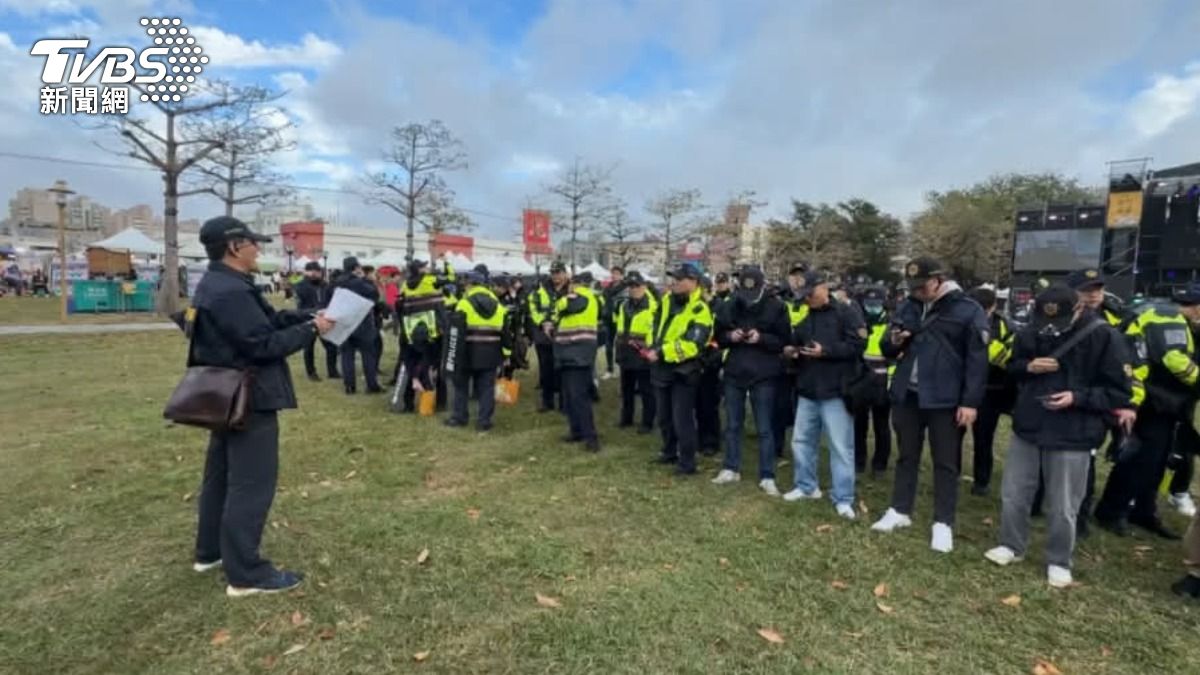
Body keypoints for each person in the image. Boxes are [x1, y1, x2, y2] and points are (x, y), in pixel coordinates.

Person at [187, 215, 335, 596]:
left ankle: (210, 551)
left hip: (224, 394)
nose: (258, 249)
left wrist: (307, 317)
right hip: (247, 397)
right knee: (251, 484)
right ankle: (246, 573)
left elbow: (267, 321)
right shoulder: (231, 292)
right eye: (252, 243)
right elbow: (263, 345)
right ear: (234, 246)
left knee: (220, 476)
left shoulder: (222, 283)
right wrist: (311, 331)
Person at [984, 284, 1132, 588]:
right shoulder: (1030, 330)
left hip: (1073, 430)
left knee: (1064, 503)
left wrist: (1077, 397)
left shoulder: (1104, 336)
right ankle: (1011, 545)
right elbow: (1012, 367)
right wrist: (1028, 366)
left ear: (1078, 309)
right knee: (1014, 492)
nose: (1050, 327)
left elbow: (1118, 391)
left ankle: (1059, 559)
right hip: (1030, 423)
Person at [871, 257, 989, 554]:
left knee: (945, 462)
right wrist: (895, 339)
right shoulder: (908, 306)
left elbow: (977, 360)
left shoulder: (967, 310)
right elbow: (887, 347)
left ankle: (943, 522)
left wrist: (970, 402)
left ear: (938, 280)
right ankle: (900, 509)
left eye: (922, 286)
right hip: (909, 394)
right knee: (906, 455)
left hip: (945, 397)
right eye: (913, 287)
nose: (917, 292)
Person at [1095, 284, 1200, 539]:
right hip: (1149, 401)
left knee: (1157, 460)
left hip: (1161, 402)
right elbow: (1175, 360)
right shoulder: (1168, 318)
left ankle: (1143, 510)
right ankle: (1112, 511)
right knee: (1140, 458)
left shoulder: (1165, 314)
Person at [782, 272, 866, 519]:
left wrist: (826, 351)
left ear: (823, 288)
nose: (807, 299)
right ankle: (806, 486)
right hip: (808, 388)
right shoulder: (807, 314)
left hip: (836, 390)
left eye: (810, 294)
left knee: (840, 447)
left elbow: (857, 345)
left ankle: (843, 498)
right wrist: (791, 350)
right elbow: (796, 340)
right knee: (801, 441)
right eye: (804, 296)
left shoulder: (847, 313)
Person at [711, 266, 790, 495]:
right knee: (732, 425)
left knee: (765, 427)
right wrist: (730, 336)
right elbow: (718, 336)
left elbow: (784, 340)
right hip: (735, 370)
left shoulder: (777, 307)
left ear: (762, 287)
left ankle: (767, 475)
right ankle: (730, 467)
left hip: (764, 373)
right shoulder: (730, 305)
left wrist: (761, 338)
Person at [648, 264, 714, 475]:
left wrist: (661, 351)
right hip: (661, 366)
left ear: (693, 282)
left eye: (680, 279)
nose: (674, 282)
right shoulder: (666, 301)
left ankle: (687, 462)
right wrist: (651, 346)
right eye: (674, 278)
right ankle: (669, 452)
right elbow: (655, 325)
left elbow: (693, 345)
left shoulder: (700, 309)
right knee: (663, 416)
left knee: (681, 418)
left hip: (683, 370)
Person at [966, 286, 1015, 496]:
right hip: (963, 386)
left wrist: (993, 351)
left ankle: (981, 481)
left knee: (984, 437)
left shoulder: (1005, 325)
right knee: (953, 434)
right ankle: (951, 472)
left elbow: (1011, 358)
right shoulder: (963, 321)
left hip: (991, 389)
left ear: (993, 307)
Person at [445, 270, 507, 431]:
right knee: (487, 388)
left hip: (467, 351)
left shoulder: (464, 303)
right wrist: (506, 354)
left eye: (466, 284)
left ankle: (460, 417)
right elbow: (505, 333)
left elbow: (456, 330)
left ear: (470, 285)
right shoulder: (499, 306)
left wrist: (452, 355)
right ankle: (484, 421)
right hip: (491, 352)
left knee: (461, 386)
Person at [553, 271, 602, 452]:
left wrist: (559, 304)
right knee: (571, 396)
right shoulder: (590, 298)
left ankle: (590, 436)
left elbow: (561, 306)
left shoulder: (580, 296)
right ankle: (577, 431)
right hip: (573, 352)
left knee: (578, 397)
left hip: (576, 352)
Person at [854, 286, 893, 478]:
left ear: (883, 304)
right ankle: (858, 462)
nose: (872, 308)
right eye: (869, 304)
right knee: (859, 425)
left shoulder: (891, 325)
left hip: (882, 382)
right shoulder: (858, 323)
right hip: (861, 380)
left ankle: (879, 465)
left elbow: (895, 357)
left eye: (876, 304)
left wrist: (890, 382)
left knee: (881, 426)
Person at [614, 271, 658, 433]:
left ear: (644, 287)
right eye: (631, 286)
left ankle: (647, 422)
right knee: (626, 390)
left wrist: (650, 350)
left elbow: (656, 332)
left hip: (642, 354)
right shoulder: (624, 305)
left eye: (637, 286)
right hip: (625, 352)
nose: (633, 289)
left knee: (647, 391)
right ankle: (626, 418)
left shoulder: (653, 307)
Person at [773, 262, 810, 458]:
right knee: (779, 405)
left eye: (801, 275)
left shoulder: (812, 301)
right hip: (782, 360)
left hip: (806, 361)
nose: (797, 280)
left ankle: (801, 447)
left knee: (803, 408)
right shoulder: (779, 301)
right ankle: (776, 445)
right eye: (794, 275)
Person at [337, 257, 383, 395]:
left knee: (346, 355)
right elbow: (375, 294)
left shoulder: (336, 282)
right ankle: (371, 384)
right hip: (361, 322)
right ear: (356, 268)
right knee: (368, 354)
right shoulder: (359, 282)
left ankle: (349, 386)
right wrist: (366, 279)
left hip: (343, 321)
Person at [530, 262, 570, 412]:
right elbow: (533, 307)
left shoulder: (572, 289)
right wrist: (543, 322)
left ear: (565, 273)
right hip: (544, 336)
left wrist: (555, 322)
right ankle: (547, 402)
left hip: (564, 334)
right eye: (553, 272)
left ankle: (564, 403)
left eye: (558, 272)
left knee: (564, 370)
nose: (555, 276)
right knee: (546, 370)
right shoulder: (541, 289)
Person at [293, 262, 339, 381]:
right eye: (311, 271)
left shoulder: (325, 285)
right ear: (306, 272)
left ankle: (332, 371)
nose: (314, 273)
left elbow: (331, 299)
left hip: (324, 318)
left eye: (317, 271)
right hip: (307, 319)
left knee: (331, 346)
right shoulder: (300, 286)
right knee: (308, 347)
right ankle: (311, 372)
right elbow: (300, 305)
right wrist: (310, 313)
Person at [696, 274, 724, 455]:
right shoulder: (695, 306)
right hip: (695, 358)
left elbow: (720, 335)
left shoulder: (719, 307)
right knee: (698, 403)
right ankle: (700, 438)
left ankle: (711, 441)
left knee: (709, 404)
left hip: (711, 360)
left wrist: (713, 358)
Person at [601, 266, 627, 381]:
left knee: (621, 345)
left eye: (617, 273)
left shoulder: (626, 288)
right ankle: (610, 369)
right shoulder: (608, 288)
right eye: (613, 273)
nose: (614, 275)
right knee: (608, 345)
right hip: (608, 319)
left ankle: (622, 369)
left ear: (621, 275)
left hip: (621, 320)